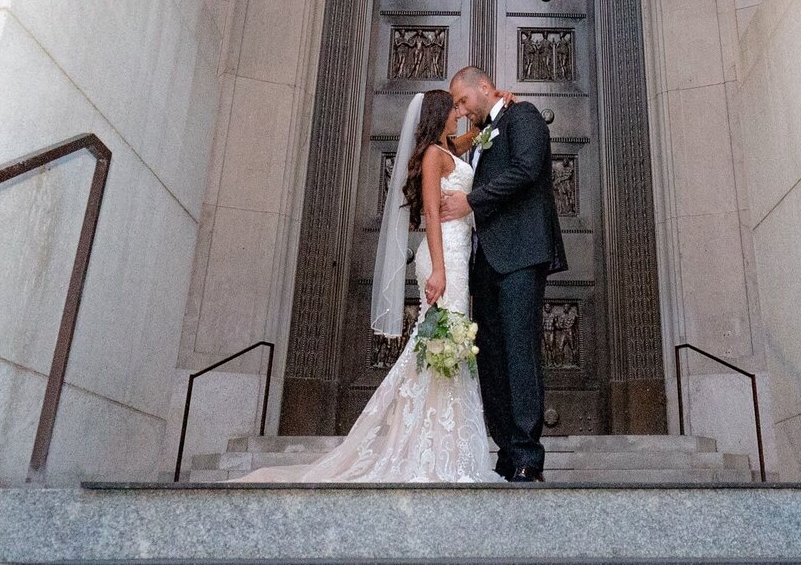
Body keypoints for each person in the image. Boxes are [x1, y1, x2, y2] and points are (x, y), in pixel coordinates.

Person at [241, 88, 499, 483]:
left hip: (458, 254)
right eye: (454, 109)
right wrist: (439, 270)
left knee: (447, 344)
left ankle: (444, 444)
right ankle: (435, 449)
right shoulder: (433, 156)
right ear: (438, 114)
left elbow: (472, 138)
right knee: (442, 341)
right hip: (443, 254)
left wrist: (499, 110)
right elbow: (431, 210)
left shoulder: (448, 150)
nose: (459, 114)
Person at [443, 65, 567, 482]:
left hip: (520, 255)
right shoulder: (479, 135)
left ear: (485, 88)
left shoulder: (524, 116)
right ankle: (507, 449)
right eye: (455, 105)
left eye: (462, 100)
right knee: (491, 360)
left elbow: (527, 170)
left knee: (519, 353)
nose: (460, 110)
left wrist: (472, 202)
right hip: (486, 263)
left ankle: (529, 453)